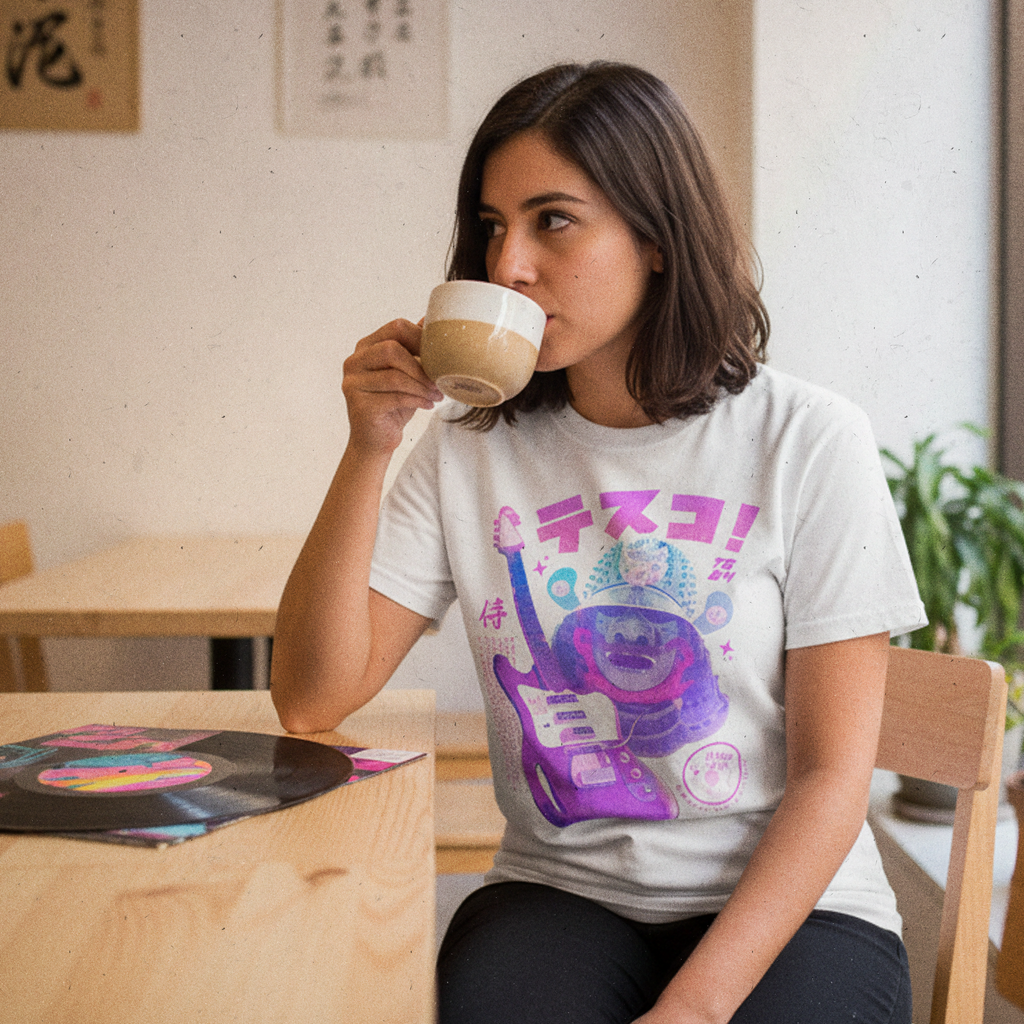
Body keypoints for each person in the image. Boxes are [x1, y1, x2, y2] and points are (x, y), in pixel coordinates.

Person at [271, 62, 926, 1024]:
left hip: (801, 911)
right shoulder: (469, 449)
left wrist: (694, 1008)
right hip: (560, 890)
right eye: (493, 228)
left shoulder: (807, 440)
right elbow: (311, 696)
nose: (508, 269)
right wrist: (369, 448)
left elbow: (834, 776)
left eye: (554, 221)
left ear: (657, 240)